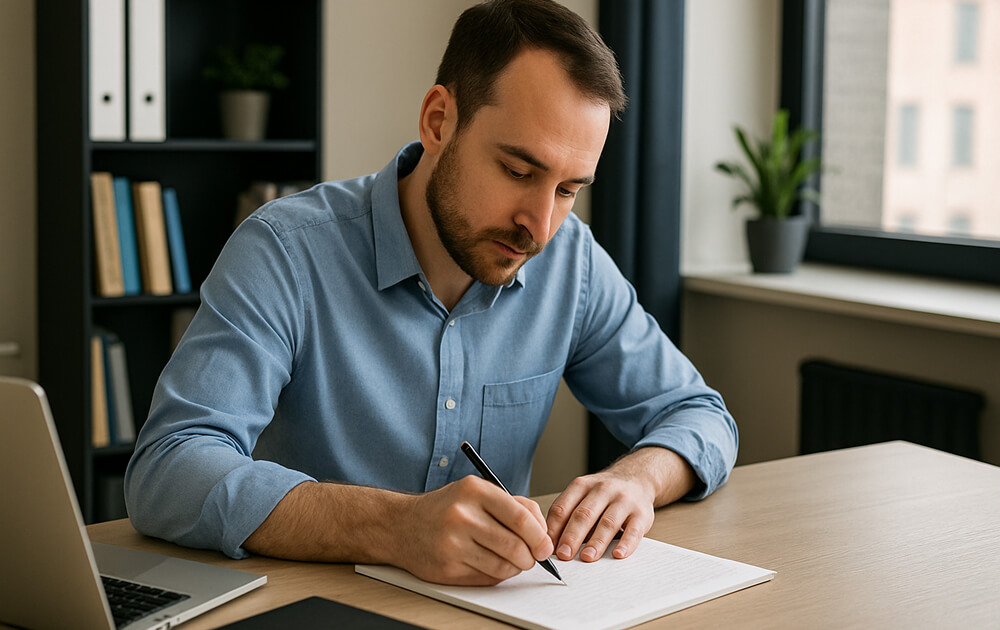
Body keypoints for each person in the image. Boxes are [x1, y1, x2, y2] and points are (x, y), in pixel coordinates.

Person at [125, 0, 738, 586]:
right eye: (519, 172)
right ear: (439, 120)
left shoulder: (571, 263)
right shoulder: (285, 251)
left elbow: (700, 416)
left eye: (567, 189)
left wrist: (638, 478)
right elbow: (168, 469)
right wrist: (394, 527)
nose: (540, 225)